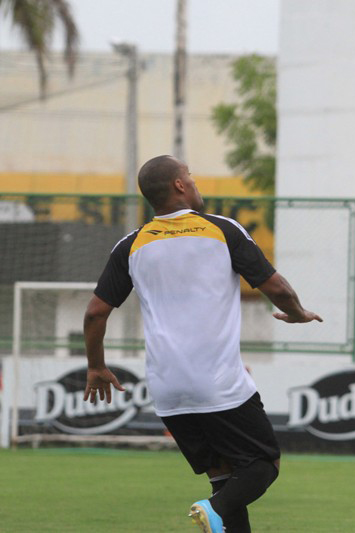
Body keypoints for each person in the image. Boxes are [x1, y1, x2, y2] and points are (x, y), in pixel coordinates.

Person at [82, 155, 322, 533]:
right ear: (179, 185)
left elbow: (95, 313)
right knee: (263, 464)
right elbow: (276, 288)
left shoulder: (131, 244)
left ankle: (216, 508)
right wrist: (298, 313)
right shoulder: (221, 230)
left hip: (167, 389)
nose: (195, 183)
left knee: (225, 475)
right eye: (190, 177)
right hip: (218, 383)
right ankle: (213, 509)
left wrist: (96, 366)